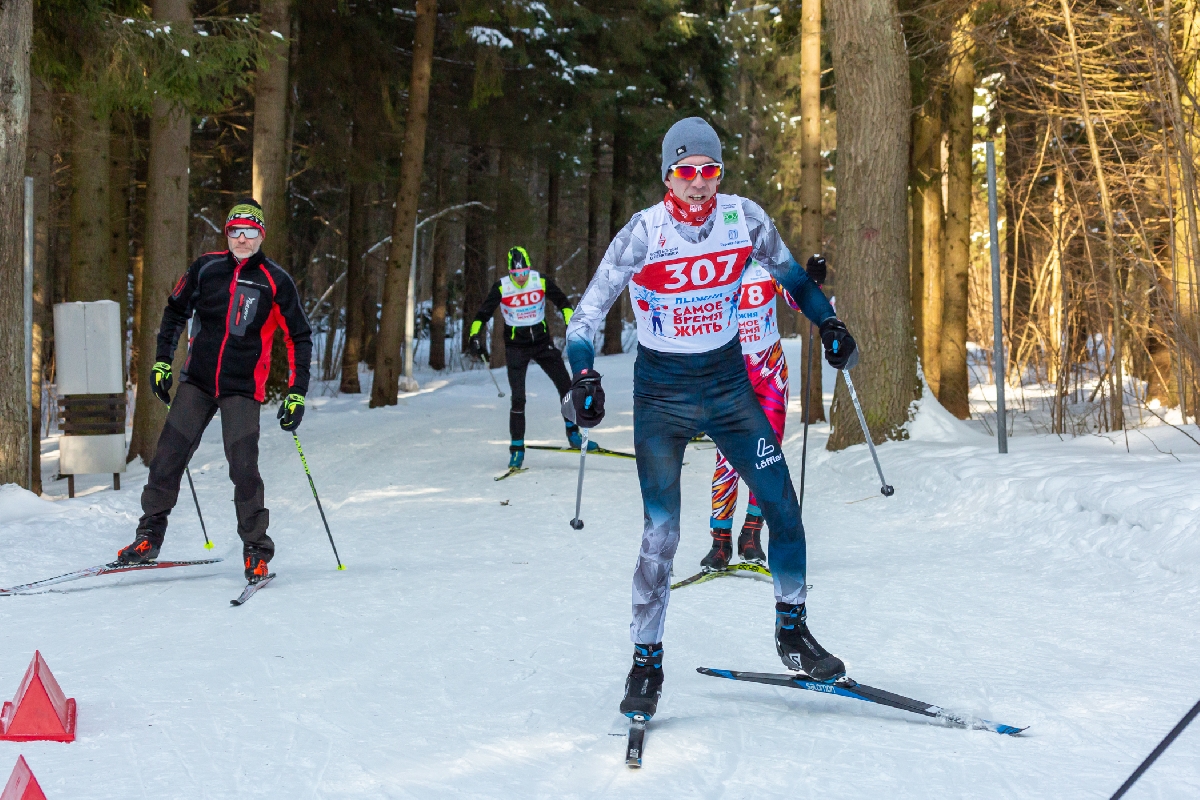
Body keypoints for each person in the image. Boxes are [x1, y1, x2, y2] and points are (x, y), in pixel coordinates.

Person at [561, 117, 858, 722]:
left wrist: (827, 322)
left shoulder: (743, 219)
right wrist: (584, 374)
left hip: (728, 386)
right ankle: (646, 662)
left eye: (710, 172)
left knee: (782, 503)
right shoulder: (642, 235)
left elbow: (793, 278)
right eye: (686, 172)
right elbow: (586, 316)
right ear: (669, 176)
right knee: (662, 534)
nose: (699, 185)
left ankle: (793, 633)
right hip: (664, 396)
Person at [117, 199, 313, 584]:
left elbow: (299, 337)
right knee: (167, 458)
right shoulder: (206, 268)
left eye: (251, 231)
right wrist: (161, 361)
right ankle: (147, 538)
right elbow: (175, 311)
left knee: (244, 469)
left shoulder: (276, 280)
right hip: (198, 382)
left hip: (242, 388)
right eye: (236, 231)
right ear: (227, 234)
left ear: (262, 235)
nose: (243, 238)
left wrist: (297, 391)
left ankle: (256, 551)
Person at [702, 258, 808, 571]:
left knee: (766, 457)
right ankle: (720, 542)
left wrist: (810, 280)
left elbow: (796, 298)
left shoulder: (767, 267)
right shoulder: (712, 270)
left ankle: (751, 535)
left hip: (771, 373)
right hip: (731, 375)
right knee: (728, 459)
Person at [468, 246, 588, 469]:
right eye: (516, 275)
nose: (521, 279)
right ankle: (516, 449)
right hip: (516, 347)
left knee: (565, 385)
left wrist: (570, 322)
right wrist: (474, 336)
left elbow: (563, 302)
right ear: (510, 274)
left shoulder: (539, 280)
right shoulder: (502, 287)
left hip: (542, 343)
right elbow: (482, 315)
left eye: (523, 273)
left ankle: (573, 434)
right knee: (518, 398)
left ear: (529, 269)